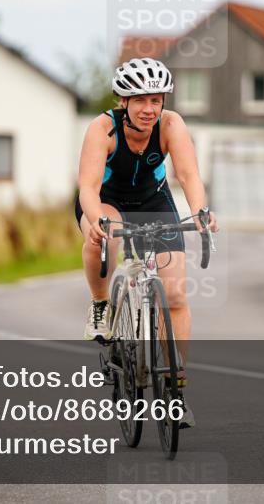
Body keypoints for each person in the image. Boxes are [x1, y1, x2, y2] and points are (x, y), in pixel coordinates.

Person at [75, 57, 218, 426]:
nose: (149, 109)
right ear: (123, 101)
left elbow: (188, 174)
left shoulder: (171, 125)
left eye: (156, 100)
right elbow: (88, 187)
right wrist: (97, 220)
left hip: (153, 201)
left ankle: (174, 387)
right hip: (108, 199)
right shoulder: (102, 128)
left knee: (175, 296)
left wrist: (201, 212)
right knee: (102, 239)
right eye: (140, 100)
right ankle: (99, 304)